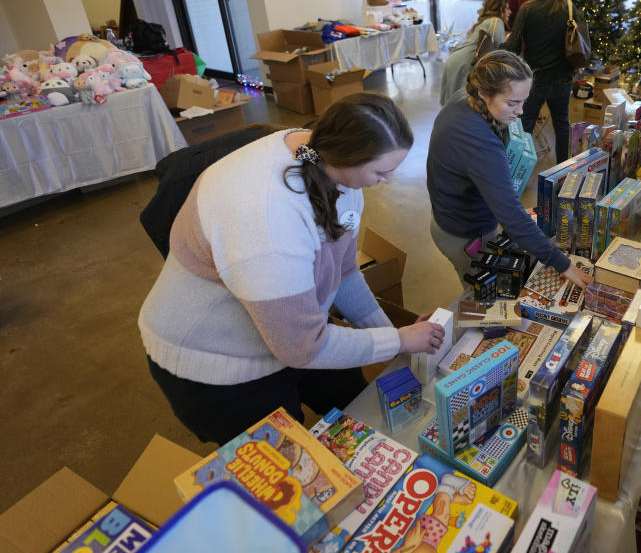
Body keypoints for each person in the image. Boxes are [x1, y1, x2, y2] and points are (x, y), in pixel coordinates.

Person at [139, 93, 445, 445]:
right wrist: (396, 340)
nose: (387, 180)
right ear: (348, 156)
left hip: (294, 328)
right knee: (292, 465)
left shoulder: (323, 158)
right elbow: (301, 349)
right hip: (221, 368)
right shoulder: (267, 217)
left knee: (359, 407)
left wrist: (392, 334)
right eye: (381, 171)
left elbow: (344, 272)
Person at [427, 49, 592, 290]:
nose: (521, 111)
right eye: (512, 103)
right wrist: (563, 265)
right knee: (483, 297)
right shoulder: (479, 142)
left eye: (524, 101)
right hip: (464, 232)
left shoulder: (466, 98)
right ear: (484, 93)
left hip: (455, 216)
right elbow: (512, 217)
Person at [502, 0, 587, 163]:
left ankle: (516, 174)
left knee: (525, 127)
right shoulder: (569, 8)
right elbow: (581, 39)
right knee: (562, 125)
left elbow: (513, 47)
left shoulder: (527, 9)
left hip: (534, 80)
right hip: (562, 79)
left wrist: (494, 48)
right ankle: (563, 171)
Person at [439, 0, 508, 106]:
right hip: (464, 64)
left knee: (452, 107)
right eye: (507, 8)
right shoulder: (496, 21)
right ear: (500, 10)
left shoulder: (485, 22)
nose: (510, 12)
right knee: (462, 107)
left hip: (455, 60)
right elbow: (501, 51)